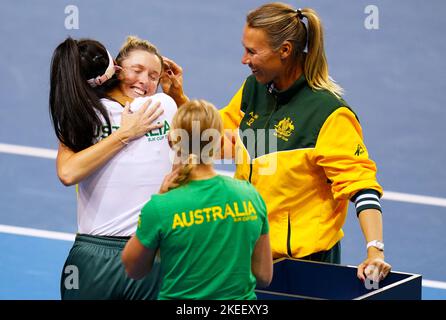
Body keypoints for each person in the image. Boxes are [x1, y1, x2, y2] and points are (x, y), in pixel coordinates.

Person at [161, 2, 391, 283]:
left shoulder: (328, 113)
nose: (244, 60)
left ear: (284, 51)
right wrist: (178, 98)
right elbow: (215, 140)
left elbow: (362, 185)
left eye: (252, 51)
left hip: (302, 267)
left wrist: (375, 251)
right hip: (245, 250)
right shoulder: (254, 90)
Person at [50, 36, 177, 299]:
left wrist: (176, 94)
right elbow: (68, 173)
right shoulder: (86, 114)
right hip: (96, 253)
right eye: (137, 70)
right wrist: (123, 134)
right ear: (117, 70)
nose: (145, 81)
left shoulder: (162, 106)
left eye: (154, 76)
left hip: (148, 253)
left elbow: (200, 143)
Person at [122, 100, 273, 300]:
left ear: (171, 141)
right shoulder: (251, 196)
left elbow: (134, 269)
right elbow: (264, 276)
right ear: (219, 143)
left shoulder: (160, 207)